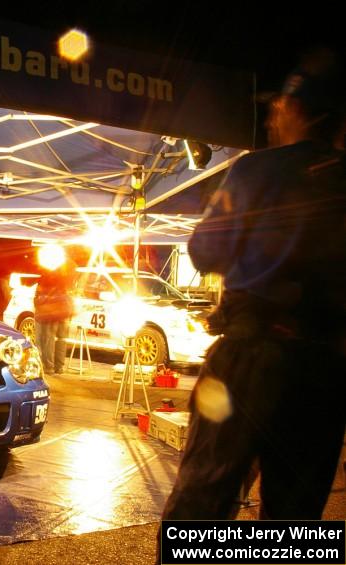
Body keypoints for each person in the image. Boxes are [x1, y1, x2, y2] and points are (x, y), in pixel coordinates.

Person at [161, 52, 346, 523]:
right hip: (326, 367)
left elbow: (205, 251)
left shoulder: (256, 170)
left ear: (299, 109)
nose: (273, 114)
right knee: (295, 519)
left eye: (281, 104)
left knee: (201, 503)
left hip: (250, 356)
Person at [33, 246, 74, 376]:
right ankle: (59, 366)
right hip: (64, 310)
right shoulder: (69, 270)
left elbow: (40, 293)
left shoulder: (49, 273)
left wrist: (39, 302)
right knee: (61, 339)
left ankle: (49, 367)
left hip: (51, 311)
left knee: (48, 339)